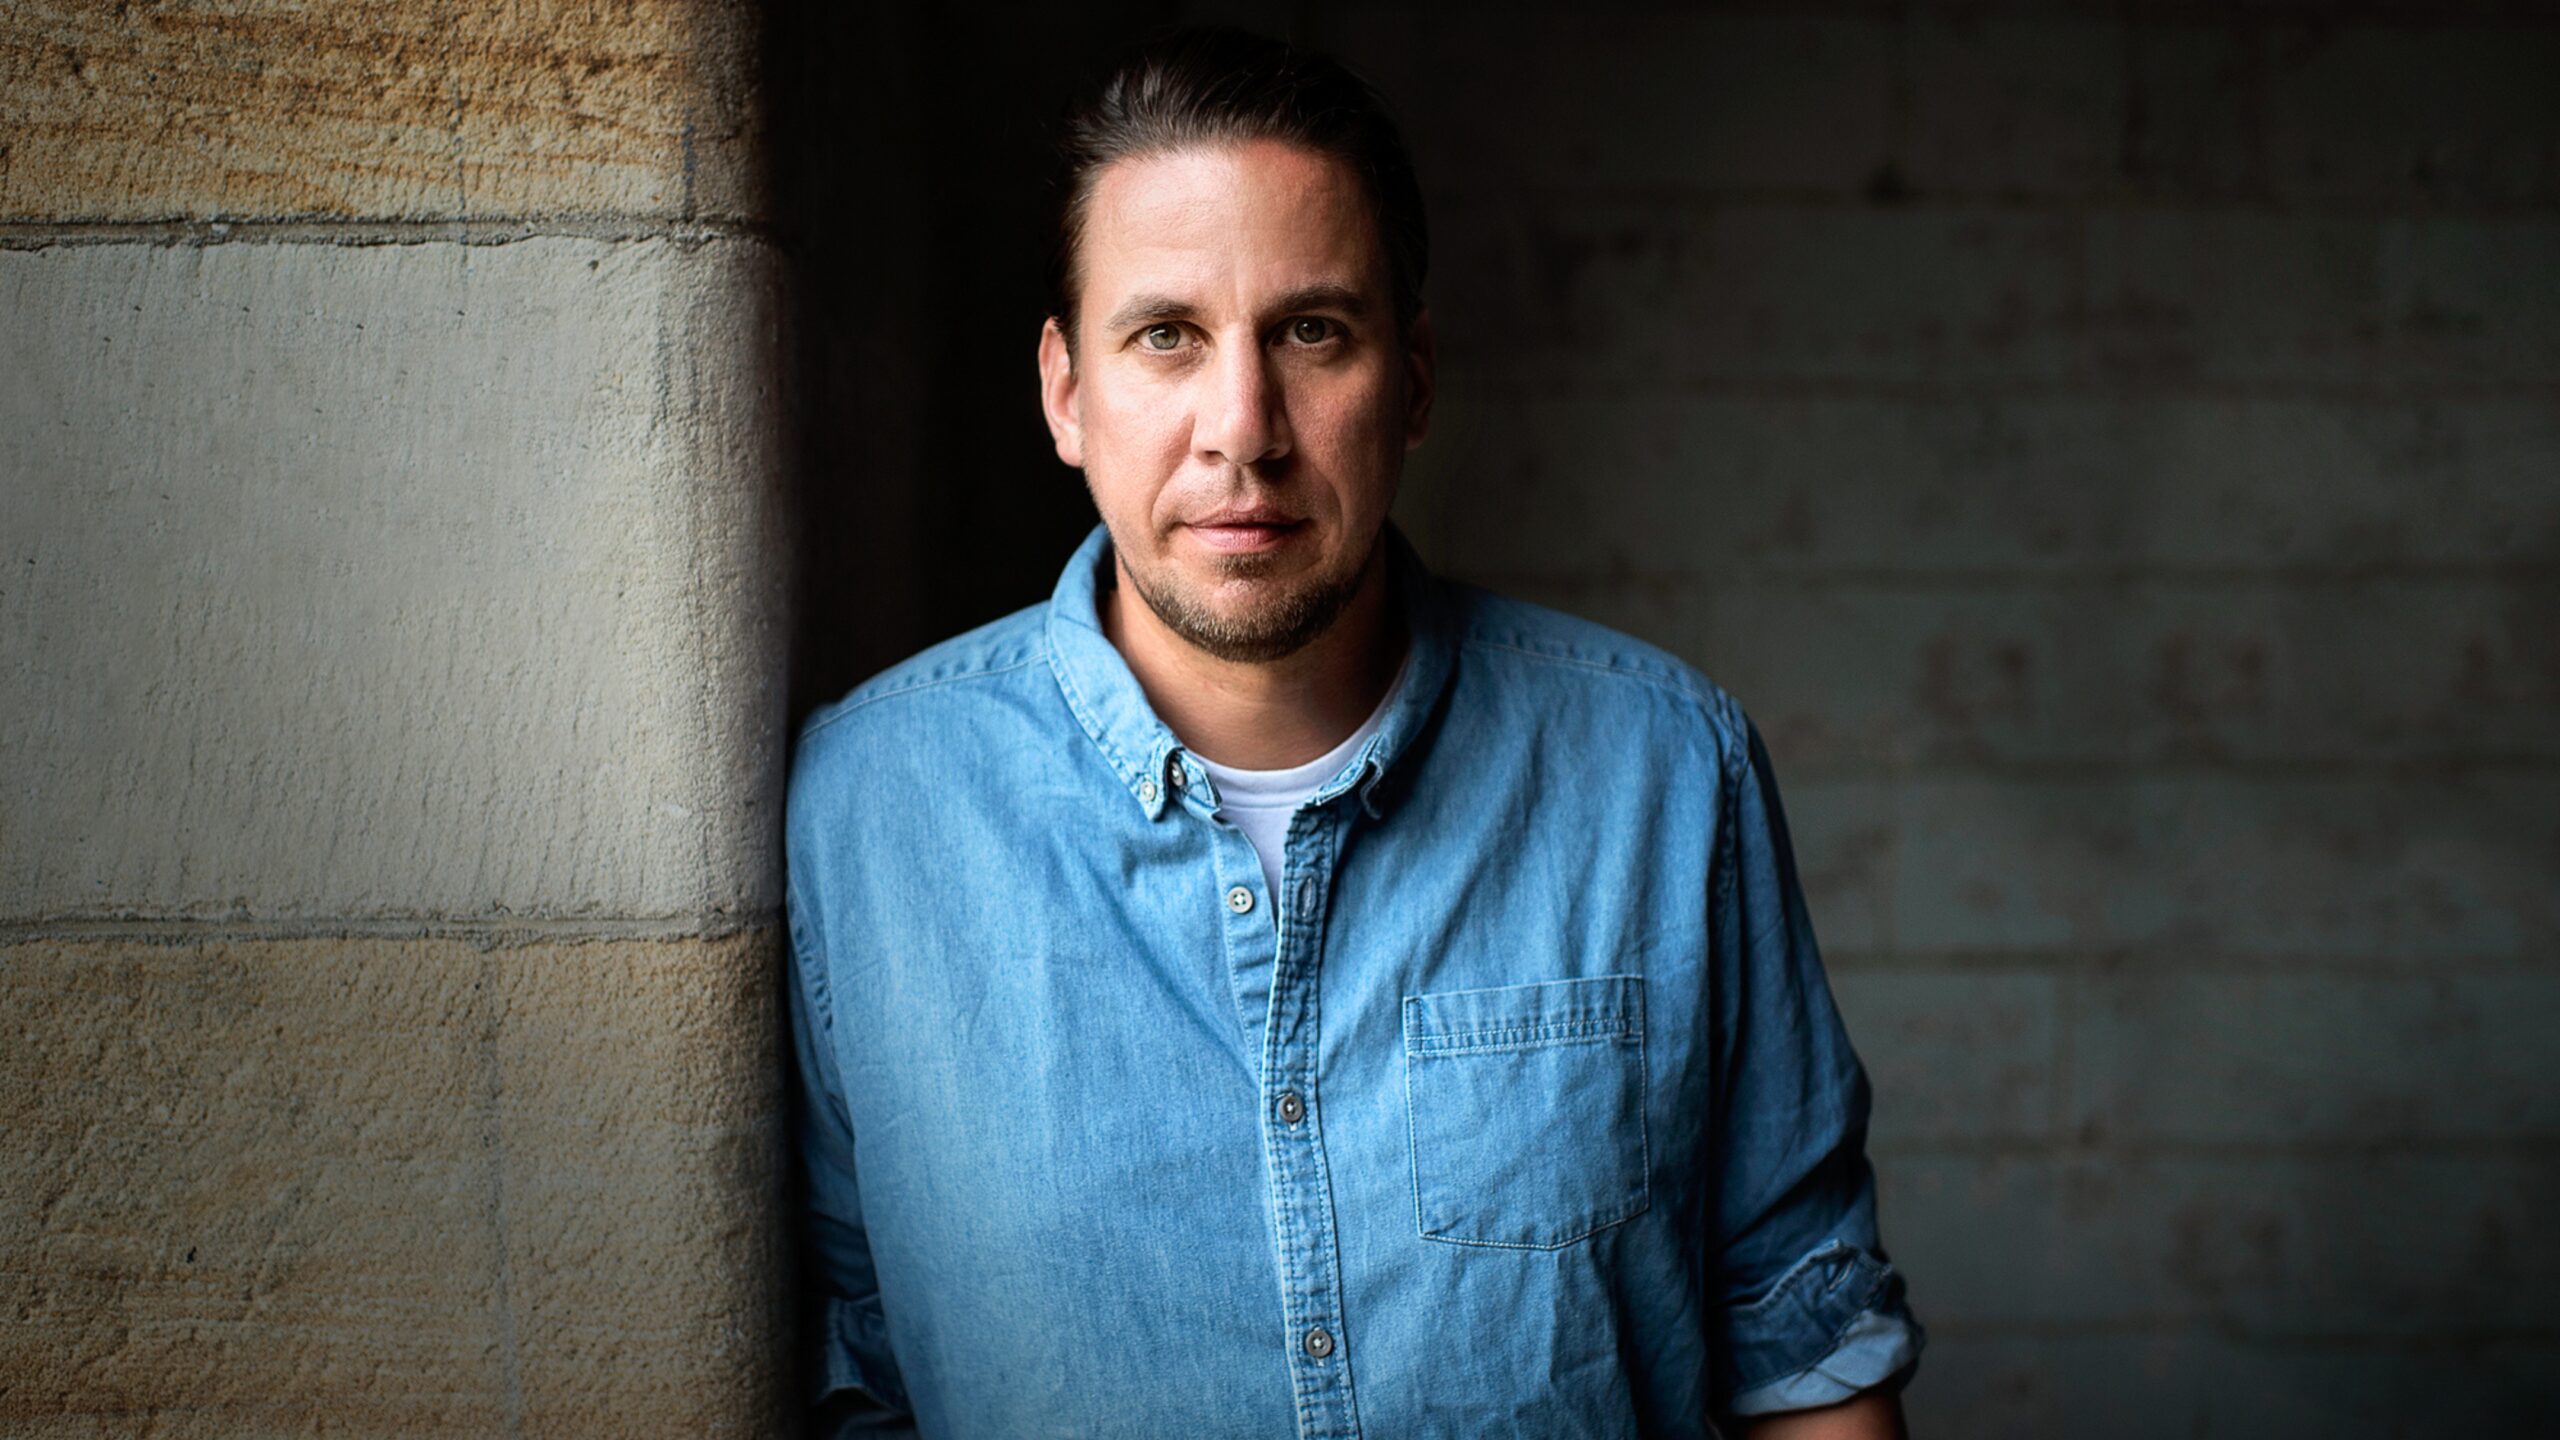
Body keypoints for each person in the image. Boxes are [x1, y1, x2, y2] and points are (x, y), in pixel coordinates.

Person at [783, 25, 1924, 1439]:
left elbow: (1804, 1351)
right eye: (1166, 336)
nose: (1243, 430)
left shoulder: (1668, 775)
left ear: (1416, 380)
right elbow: (853, 1367)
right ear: (1067, 392)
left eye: (1311, 331)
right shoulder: (868, 811)